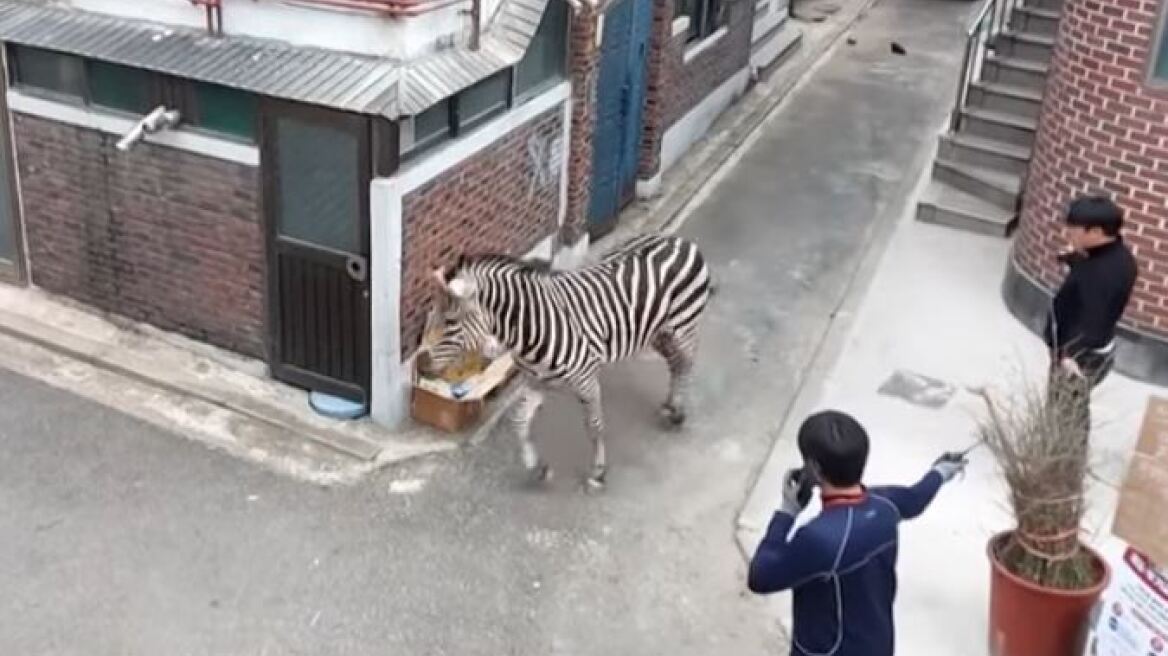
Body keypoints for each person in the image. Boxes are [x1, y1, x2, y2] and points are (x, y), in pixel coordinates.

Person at [746, 410, 966, 656]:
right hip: (878, 645)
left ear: (815, 469)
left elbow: (760, 576)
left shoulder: (818, 538)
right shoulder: (885, 504)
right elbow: (916, 498)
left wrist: (786, 512)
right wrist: (942, 471)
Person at [1043, 195, 1138, 438]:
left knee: (1066, 419)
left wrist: (1069, 356)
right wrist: (1075, 261)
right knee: (1067, 412)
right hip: (1087, 350)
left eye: (1074, 229)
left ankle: (1060, 469)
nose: (1068, 233)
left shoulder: (1103, 275)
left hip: (1081, 358)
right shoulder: (1117, 257)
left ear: (1096, 232)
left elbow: (1094, 318)